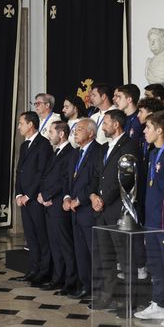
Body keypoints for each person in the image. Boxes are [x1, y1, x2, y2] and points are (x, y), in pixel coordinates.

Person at [134, 111, 164, 326]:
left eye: (148, 127)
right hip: (152, 218)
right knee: (155, 264)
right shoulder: (154, 153)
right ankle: (159, 303)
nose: (144, 131)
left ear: (159, 130)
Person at [88, 109, 142, 312]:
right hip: (101, 210)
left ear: (116, 125)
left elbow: (126, 177)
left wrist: (104, 198)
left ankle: (129, 302)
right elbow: (96, 176)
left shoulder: (129, 145)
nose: (103, 126)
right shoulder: (103, 148)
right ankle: (107, 296)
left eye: (106, 122)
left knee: (125, 259)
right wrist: (93, 195)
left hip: (118, 210)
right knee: (105, 257)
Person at [37, 121, 77, 295]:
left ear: (61, 134)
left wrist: (48, 196)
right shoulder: (55, 152)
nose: (48, 135)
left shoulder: (70, 153)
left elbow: (64, 180)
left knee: (65, 246)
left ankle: (70, 281)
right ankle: (57, 278)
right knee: (54, 245)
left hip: (59, 205)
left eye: (51, 131)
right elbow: (47, 177)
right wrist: (43, 195)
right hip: (49, 205)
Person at [64, 119, 102, 299]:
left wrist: (80, 199)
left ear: (91, 133)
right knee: (80, 251)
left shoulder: (99, 151)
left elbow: (96, 180)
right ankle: (85, 285)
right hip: (74, 211)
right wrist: (67, 197)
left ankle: (97, 289)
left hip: (88, 210)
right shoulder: (75, 153)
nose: (75, 132)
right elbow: (68, 179)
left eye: (79, 129)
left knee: (92, 251)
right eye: (75, 129)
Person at [14, 111, 53, 285]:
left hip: (35, 198)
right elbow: (19, 171)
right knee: (30, 236)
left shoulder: (43, 144)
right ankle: (34, 268)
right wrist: (18, 194)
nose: (19, 126)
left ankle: (45, 271)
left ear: (30, 124)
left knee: (41, 235)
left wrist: (28, 195)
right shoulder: (24, 145)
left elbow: (41, 173)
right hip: (24, 198)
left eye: (21, 123)